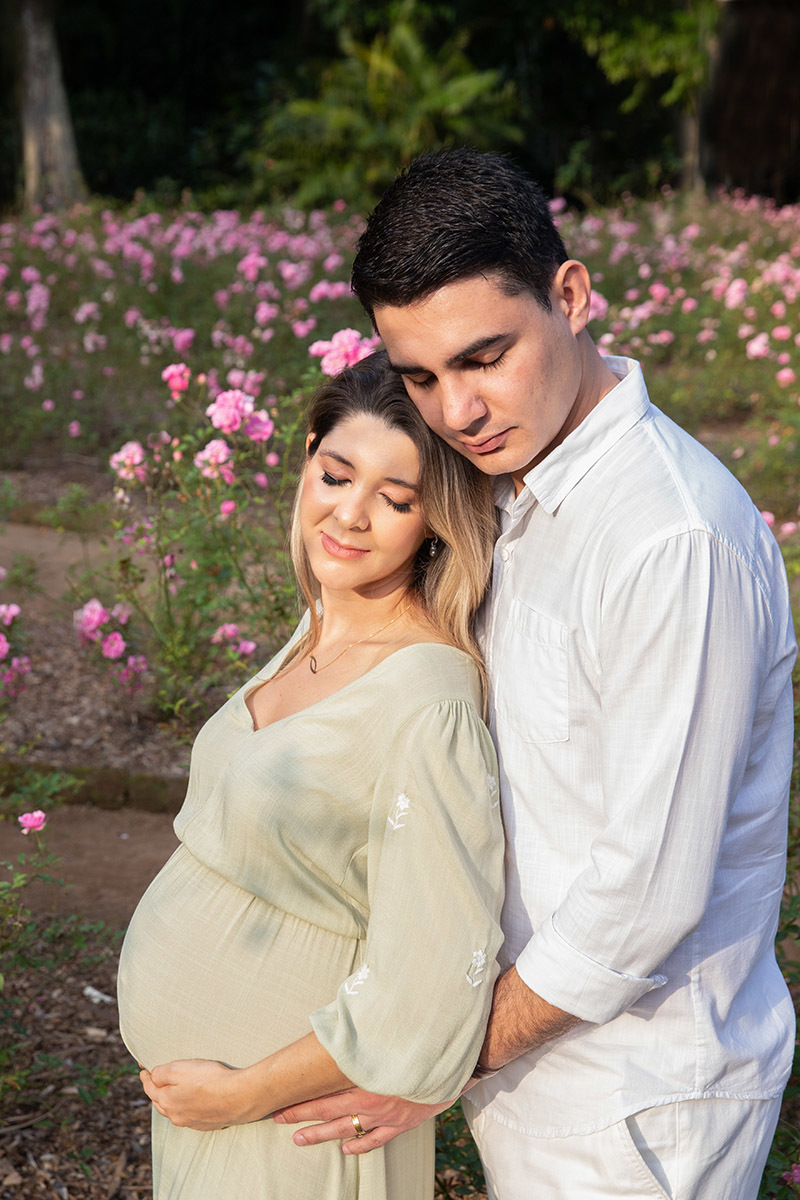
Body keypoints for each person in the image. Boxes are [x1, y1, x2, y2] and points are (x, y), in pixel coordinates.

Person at [272, 149, 798, 1199]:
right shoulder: (515, 488)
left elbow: (643, 896)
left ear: (569, 294)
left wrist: (432, 1054)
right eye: (421, 377)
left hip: (635, 1100)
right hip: (536, 1075)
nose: (457, 410)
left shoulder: (666, 537)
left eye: (483, 357)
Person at [116, 350, 505, 1200]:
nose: (352, 514)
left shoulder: (427, 698)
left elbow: (430, 970)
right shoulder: (321, 629)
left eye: (396, 500)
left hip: (293, 1125)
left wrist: (241, 1093)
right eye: (337, 474)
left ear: (434, 522)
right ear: (306, 458)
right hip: (216, 1118)